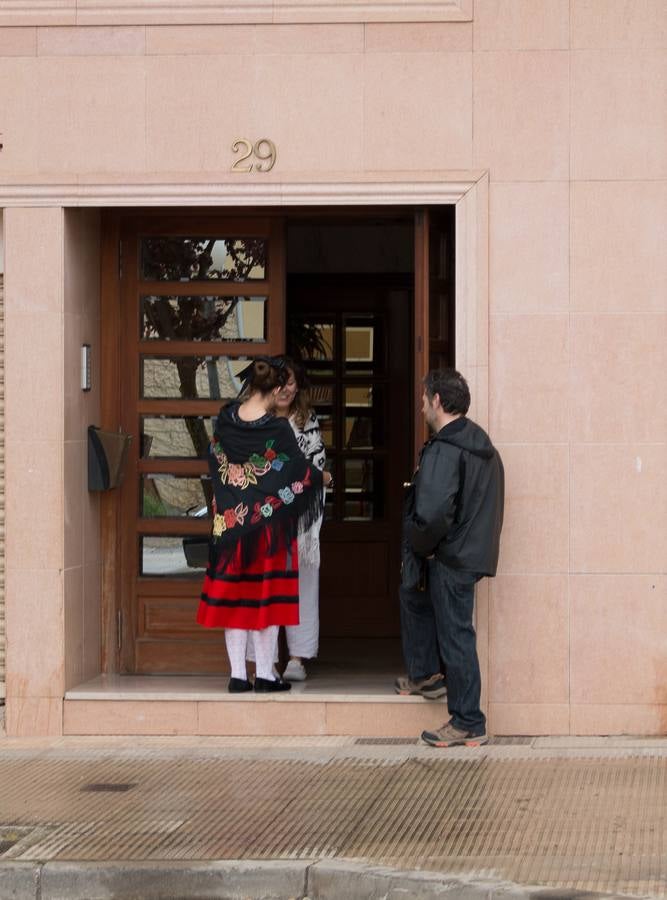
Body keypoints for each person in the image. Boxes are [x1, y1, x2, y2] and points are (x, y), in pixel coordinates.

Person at [196, 357, 326, 693]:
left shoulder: (224, 421)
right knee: (266, 601)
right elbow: (295, 470)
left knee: (236, 602)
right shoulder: (277, 429)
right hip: (267, 531)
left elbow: (216, 462)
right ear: (277, 390)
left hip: (231, 529)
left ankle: (239, 675)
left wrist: (234, 499)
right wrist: (320, 476)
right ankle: (266, 675)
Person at [396, 369, 504, 747]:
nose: (423, 405)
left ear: (438, 401)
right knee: (447, 625)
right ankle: (426, 675)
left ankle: (467, 720)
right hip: (468, 556)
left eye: (425, 399)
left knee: (457, 636)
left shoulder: (445, 448)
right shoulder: (482, 445)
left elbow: (434, 514)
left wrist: (421, 543)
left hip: (450, 557)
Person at [247, 357, 327, 681]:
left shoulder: (307, 421)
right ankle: (263, 662)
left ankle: (297, 658)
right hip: (264, 519)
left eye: (291, 382)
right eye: (279, 382)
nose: (285, 389)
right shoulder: (255, 420)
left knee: (302, 587)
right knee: (263, 588)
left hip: (299, 519)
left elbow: (317, 468)